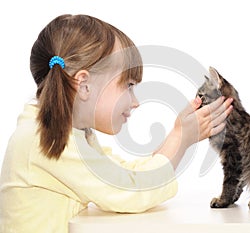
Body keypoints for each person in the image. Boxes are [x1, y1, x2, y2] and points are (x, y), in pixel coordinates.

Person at [0, 14, 233, 233]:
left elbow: (126, 176)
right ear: (84, 85)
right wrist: (181, 139)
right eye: (129, 85)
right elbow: (131, 192)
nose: (135, 102)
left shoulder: (71, 135)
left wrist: (179, 133)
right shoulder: (46, 139)